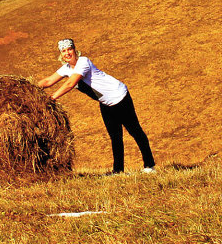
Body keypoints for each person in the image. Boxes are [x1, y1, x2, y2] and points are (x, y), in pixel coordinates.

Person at [37, 38, 156, 174]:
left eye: (69, 49)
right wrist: (28, 88)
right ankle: (118, 171)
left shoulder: (83, 62)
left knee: (135, 131)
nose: (67, 53)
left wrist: (51, 99)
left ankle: (149, 166)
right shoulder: (66, 69)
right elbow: (48, 81)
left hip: (120, 97)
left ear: (75, 50)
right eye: (64, 51)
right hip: (105, 102)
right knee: (115, 136)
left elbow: (70, 84)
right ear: (61, 54)